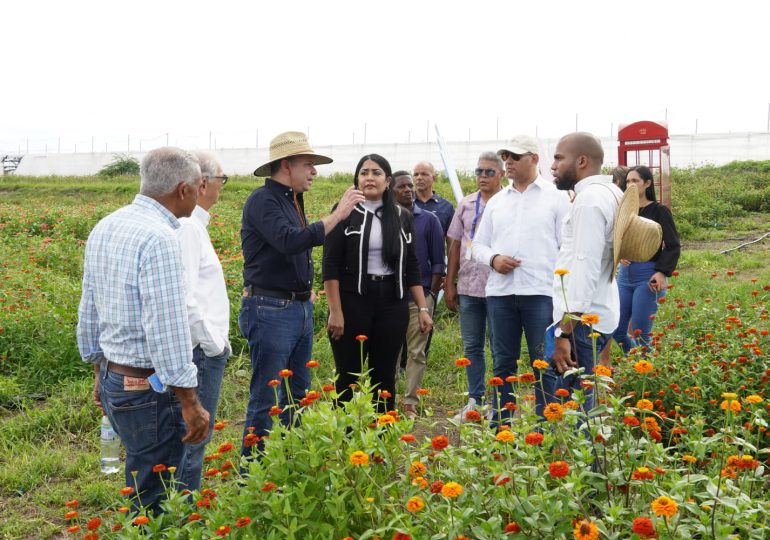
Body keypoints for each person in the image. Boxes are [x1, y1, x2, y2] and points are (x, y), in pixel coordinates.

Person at [77, 147, 210, 511]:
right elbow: (165, 329)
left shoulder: (106, 225)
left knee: (142, 478)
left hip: (114, 379)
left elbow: (90, 309)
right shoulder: (161, 239)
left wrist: (99, 373)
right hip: (149, 389)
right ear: (183, 190)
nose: (202, 194)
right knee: (155, 496)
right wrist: (191, 402)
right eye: (200, 186)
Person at [240, 132, 364, 456]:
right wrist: (338, 215)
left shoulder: (292, 199)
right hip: (270, 309)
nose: (314, 171)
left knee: (299, 393)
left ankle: (291, 462)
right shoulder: (263, 200)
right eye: (308, 164)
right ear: (286, 165)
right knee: (267, 397)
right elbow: (288, 240)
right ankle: (250, 475)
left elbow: (294, 249)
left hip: (296, 308)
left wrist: (304, 292)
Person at [323, 154, 433, 413]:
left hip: (392, 304)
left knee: (384, 375)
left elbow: (412, 266)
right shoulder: (344, 212)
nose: (369, 177)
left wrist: (423, 308)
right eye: (364, 172)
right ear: (357, 179)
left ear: (388, 181)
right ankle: (345, 435)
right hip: (352, 302)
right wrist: (335, 311)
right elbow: (330, 265)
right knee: (347, 374)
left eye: (376, 172)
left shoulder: (402, 216)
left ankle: (382, 435)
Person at [472, 136, 570, 421]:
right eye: (506, 157)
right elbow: (477, 245)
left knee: (543, 363)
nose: (509, 162)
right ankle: (501, 427)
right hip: (501, 294)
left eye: (515, 157)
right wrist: (494, 259)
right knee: (503, 365)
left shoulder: (556, 197)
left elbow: (567, 247)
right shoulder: (497, 202)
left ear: (535, 158)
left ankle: (546, 428)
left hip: (540, 293)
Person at [547, 132, 622, 411]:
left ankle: (573, 455)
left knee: (573, 411)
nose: (552, 166)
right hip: (597, 314)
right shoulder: (611, 192)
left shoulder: (590, 200)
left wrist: (564, 333)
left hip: (581, 324)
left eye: (558, 158)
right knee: (576, 404)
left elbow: (583, 268)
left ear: (581, 161)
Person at [175, 151, 231, 491]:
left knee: (194, 436)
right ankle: (183, 515)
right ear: (204, 182)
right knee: (194, 436)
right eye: (221, 179)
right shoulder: (187, 228)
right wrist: (213, 344)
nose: (222, 186)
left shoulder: (194, 226)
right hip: (200, 352)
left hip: (203, 349)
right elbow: (186, 297)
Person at [445, 152, 504, 420]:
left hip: (500, 287)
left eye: (489, 172)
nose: (483, 176)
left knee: (499, 347)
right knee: (472, 347)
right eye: (479, 171)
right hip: (469, 286)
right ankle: (475, 401)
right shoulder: (466, 204)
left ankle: (500, 404)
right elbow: (455, 244)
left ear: (501, 174)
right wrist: (450, 283)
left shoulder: (509, 203)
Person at [391, 170, 445, 419]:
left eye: (410, 186)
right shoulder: (384, 219)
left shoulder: (429, 220)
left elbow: (438, 262)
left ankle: (410, 402)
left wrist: (431, 295)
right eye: (402, 186)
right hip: (390, 298)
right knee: (390, 351)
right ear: (391, 191)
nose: (409, 190)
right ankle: (387, 398)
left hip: (420, 297)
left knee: (416, 352)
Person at [612, 165, 680, 353]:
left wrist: (661, 272)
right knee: (616, 331)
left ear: (648, 183)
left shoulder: (659, 211)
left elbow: (673, 244)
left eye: (635, 181)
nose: (631, 185)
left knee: (641, 333)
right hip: (624, 277)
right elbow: (616, 239)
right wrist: (621, 255)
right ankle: (639, 363)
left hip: (647, 276)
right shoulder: (624, 212)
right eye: (627, 182)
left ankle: (644, 371)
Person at [598, 165, 630, 367]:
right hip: (617, 269)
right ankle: (606, 360)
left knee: (609, 316)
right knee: (613, 317)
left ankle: (606, 360)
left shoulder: (614, 204)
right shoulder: (617, 204)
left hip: (612, 269)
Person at [413, 161, 455, 235]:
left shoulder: (447, 207)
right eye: (416, 174)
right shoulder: (403, 204)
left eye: (424, 174)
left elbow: (451, 238)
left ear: (434, 178)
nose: (419, 178)